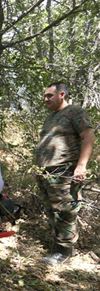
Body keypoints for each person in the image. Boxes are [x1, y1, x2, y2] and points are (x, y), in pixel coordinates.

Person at [35, 82, 95, 264]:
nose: (45, 99)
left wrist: (81, 166)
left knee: (64, 212)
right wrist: (39, 170)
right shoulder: (51, 117)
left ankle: (64, 253)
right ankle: (60, 248)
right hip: (46, 173)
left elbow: (89, 137)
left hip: (64, 171)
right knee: (52, 212)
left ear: (62, 95)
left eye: (49, 96)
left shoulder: (74, 112)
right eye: (45, 96)